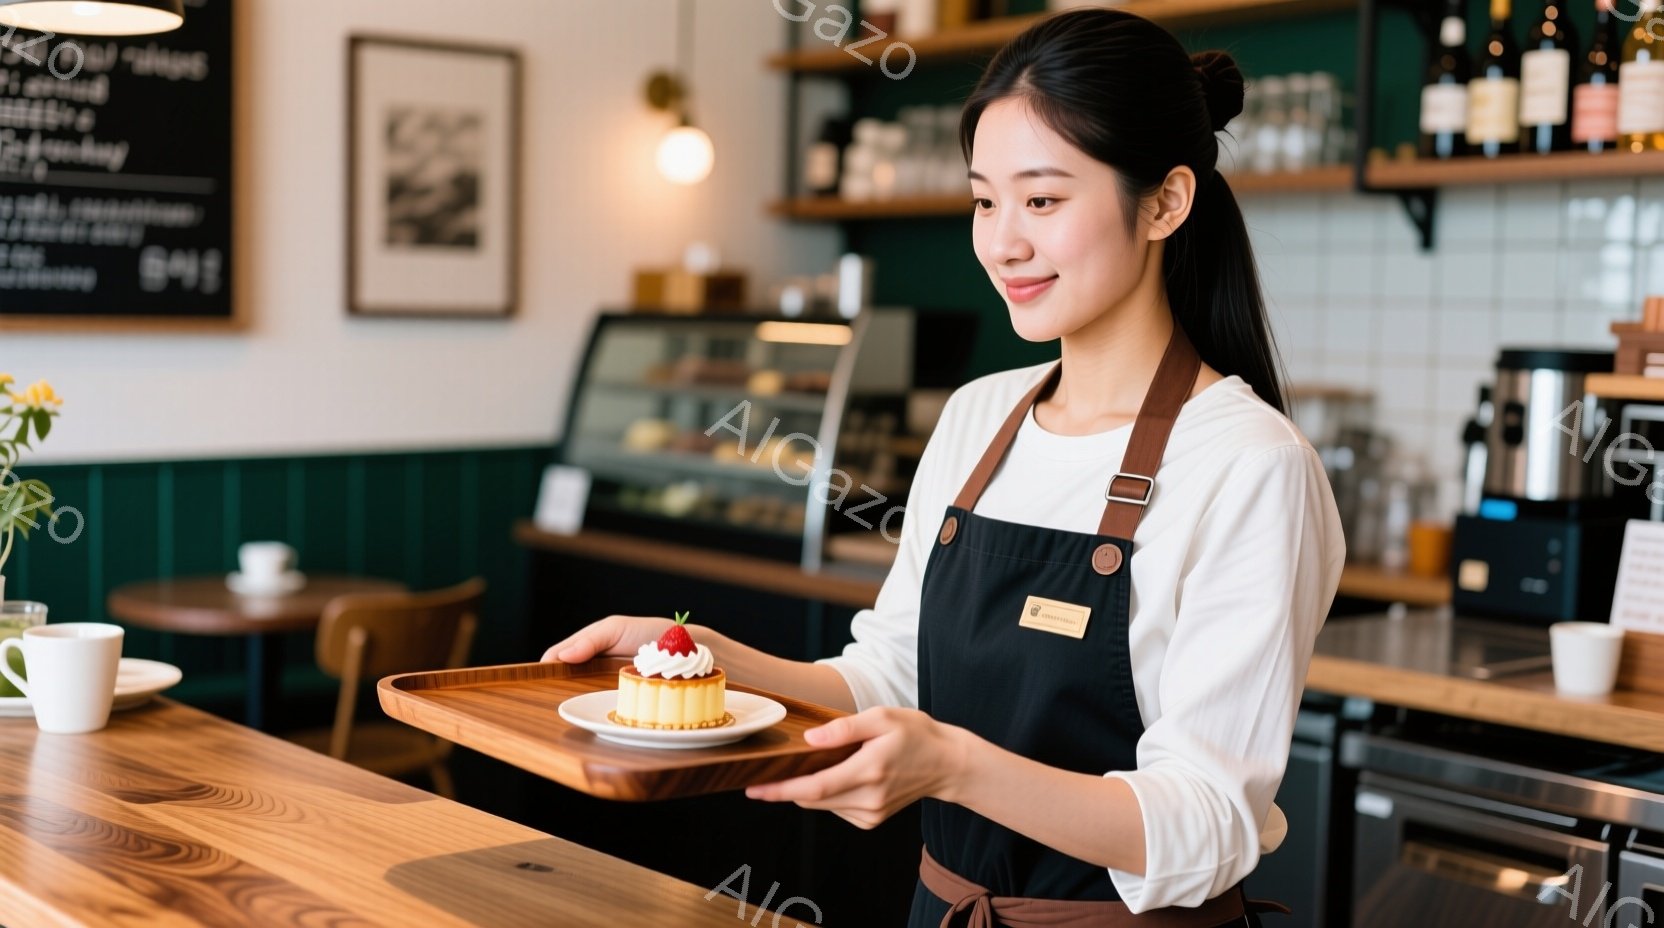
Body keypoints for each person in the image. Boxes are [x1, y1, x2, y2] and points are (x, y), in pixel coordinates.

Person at [545, 8, 1345, 926]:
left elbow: (1205, 820)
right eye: (984, 199)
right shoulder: (978, 419)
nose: (1002, 241)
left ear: (1165, 201)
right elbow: (893, 673)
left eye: (1042, 200)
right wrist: (706, 664)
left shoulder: (1249, 465)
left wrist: (956, 767)